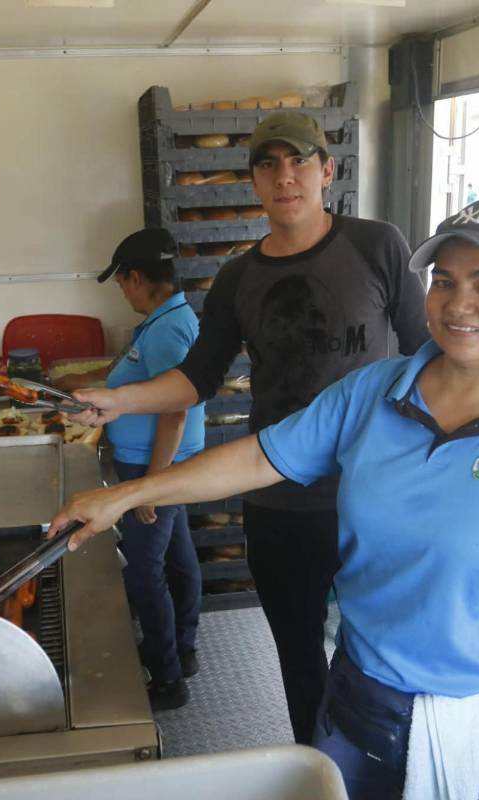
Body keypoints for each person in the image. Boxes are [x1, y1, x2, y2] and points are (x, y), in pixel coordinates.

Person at [53, 199, 479, 799]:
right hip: (358, 700)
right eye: (444, 281)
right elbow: (258, 458)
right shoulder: (375, 392)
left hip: (478, 726)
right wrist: (126, 495)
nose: (458, 304)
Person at [70, 110, 429, 744]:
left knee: (383, 653)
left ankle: (380, 765)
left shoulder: (378, 246)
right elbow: (197, 378)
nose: (284, 176)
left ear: (327, 170)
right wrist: (119, 401)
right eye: (268, 164)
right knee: (298, 656)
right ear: (254, 181)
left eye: (298, 161)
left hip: (371, 497)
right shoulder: (239, 277)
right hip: (278, 497)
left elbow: (426, 355)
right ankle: (316, 766)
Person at [58, 227, 205, 711]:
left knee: (144, 571)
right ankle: (181, 650)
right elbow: (134, 380)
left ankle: (167, 678)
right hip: (156, 465)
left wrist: (150, 488)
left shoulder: (167, 330)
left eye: (122, 282)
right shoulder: (163, 320)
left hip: (155, 467)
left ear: (137, 278)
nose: (122, 292)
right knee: (177, 558)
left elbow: (175, 409)